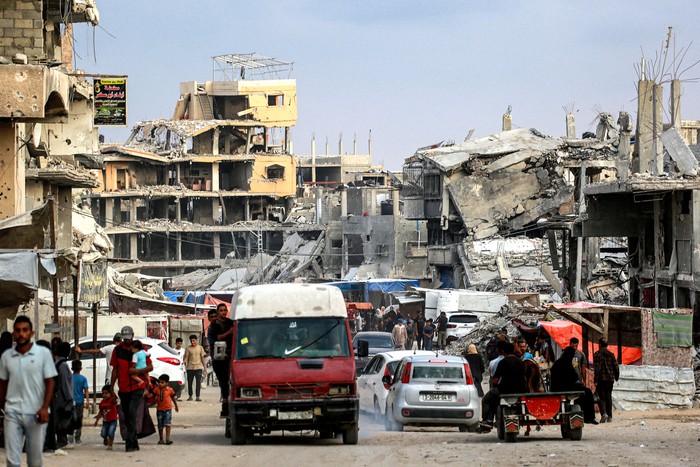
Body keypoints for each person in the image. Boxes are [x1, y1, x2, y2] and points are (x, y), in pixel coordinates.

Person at [0, 316, 57, 467]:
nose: (21, 334)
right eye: (18, 330)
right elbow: (2, 384)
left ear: (32, 333)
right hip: (12, 413)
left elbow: (50, 381)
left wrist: (45, 407)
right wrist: (3, 408)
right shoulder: (6, 357)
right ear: (14, 334)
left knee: (35, 461)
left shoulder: (43, 354)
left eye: (25, 330)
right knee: (12, 461)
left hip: (35, 413)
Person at [111, 325, 153, 452]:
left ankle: (129, 443)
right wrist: (112, 387)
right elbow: (115, 369)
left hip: (137, 387)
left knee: (131, 413)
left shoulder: (141, 349)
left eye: (128, 338)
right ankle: (134, 441)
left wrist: (137, 371)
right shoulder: (117, 350)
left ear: (133, 335)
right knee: (126, 416)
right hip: (123, 388)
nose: (127, 341)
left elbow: (150, 367)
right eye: (125, 339)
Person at [478, 341, 526, 431]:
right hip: (520, 389)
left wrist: (496, 385)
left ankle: (487, 421)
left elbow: (495, 380)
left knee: (486, 400)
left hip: (505, 389)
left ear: (503, 351)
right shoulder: (520, 362)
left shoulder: (502, 362)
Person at [550, 347, 597, 424]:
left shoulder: (558, 363)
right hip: (566, 388)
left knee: (581, 394)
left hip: (556, 388)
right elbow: (573, 378)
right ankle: (589, 417)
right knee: (587, 392)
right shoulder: (567, 363)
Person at [207, 304, 233, 418]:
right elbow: (218, 338)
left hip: (231, 356)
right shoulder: (214, 325)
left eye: (225, 310)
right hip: (220, 358)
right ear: (218, 312)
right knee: (224, 382)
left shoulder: (230, 322)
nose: (223, 312)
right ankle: (225, 408)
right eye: (221, 311)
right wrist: (230, 332)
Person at [53, 341, 74, 449]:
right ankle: (62, 440)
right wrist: (69, 397)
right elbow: (65, 382)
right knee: (63, 420)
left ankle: (62, 440)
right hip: (64, 397)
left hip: (58, 397)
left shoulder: (57, 363)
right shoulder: (63, 365)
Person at [594, 338, 619, 423]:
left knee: (601, 397)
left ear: (600, 344)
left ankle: (603, 414)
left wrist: (595, 379)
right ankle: (610, 416)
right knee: (609, 396)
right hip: (610, 379)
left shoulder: (597, 354)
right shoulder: (611, 354)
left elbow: (597, 368)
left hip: (601, 379)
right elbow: (616, 366)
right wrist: (616, 376)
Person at [153, 374, 178, 445]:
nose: (160, 384)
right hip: (159, 410)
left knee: (168, 424)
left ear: (167, 383)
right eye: (159, 382)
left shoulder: (170, 390)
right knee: (160, 425)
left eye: (162, 382)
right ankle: (161, 439)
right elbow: (151, 396)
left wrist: (176, 406)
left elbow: (173, 398)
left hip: (168, 409)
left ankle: (167, 438)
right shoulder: (156, 389)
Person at [94, 385, 118, 450]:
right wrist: (97, 421)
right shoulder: (102, 403)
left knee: (111, 433)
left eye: (106, 393)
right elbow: (100, 412)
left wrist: (113, 392)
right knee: (103, 434)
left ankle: (110, 445)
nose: (104, 395)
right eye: (103, 393)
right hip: (105, 421)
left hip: (113, 420)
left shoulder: (112, 401)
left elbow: (116, 399)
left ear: (110, 394)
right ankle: (105, 438)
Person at [183, 334, 206, 401]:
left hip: (198, 368)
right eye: (191, 341)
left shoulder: (200, 348)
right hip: (190, 368)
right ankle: (190, 396)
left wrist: (205, 368)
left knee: (198, 383)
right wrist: (183, 362)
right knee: (190, 383)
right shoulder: (188, 348)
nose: (192, 342)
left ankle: (197, 396)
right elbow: (186, 357)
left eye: (193, 340)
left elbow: (202, 359)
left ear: (196, 340)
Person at [71, 359, 89, 444]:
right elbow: (86, 390)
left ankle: (70, 435)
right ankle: (77, 437)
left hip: (70, 401)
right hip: (80, 401)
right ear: (81, 368)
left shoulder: (69, 378)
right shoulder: (83, 379)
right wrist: (87, 401)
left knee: (70, 418)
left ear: (72, 368)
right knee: (79, 418)